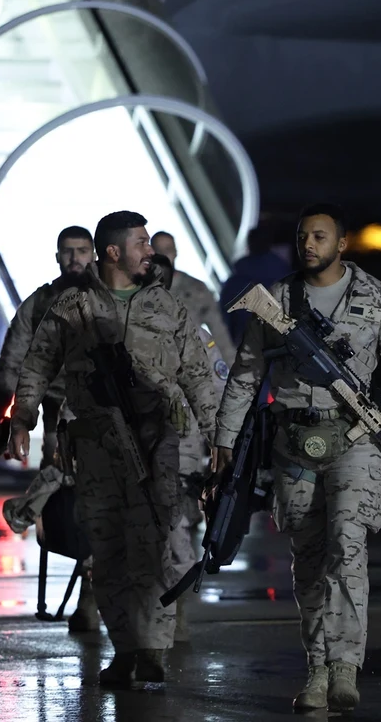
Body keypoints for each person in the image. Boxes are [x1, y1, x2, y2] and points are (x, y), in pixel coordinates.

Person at [214, 202, 381, 712]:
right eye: (303, 237)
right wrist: (225, 439)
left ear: (342, 244)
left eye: (320, 237)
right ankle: (316, 668)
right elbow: (246, 374)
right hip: (293, 444)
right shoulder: (275, 300)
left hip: (356, 440)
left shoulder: (375, 297)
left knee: (349, 549)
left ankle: (345, 668)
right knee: (309, 560)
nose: (309, 245)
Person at [6, 210, 219, 688]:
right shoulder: (74, 306)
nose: (151, 251)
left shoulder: (167, 307)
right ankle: (124, 648)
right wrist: (22, 419)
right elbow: (37, 364)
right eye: (142, 243)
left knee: (157, 547)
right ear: (114, 253)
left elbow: (199, 377)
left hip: (156, 441)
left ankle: (155, 649)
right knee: (106, 549)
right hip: (97, 448)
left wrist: (219, 437)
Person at [0, 225, 99, 633]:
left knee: (95, 502)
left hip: (104, 413)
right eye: (67, 252)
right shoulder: (39, 305)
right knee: (73, 504)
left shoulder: (107, 298)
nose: (75, 259)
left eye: (82, 251)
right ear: (56, 257)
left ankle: (89, 599)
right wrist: (0, 419)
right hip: (56, 414)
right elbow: (13, 360)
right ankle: (87, 595)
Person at [151, 253, 230, 645]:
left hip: (181, 448)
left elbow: (216, 393)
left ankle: (173, 619)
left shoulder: (195, 336)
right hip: (126, 446)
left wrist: (221, 446)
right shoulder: (115, 329)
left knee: (177, 532)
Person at [150, 230, 237, 362]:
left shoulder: (195, 287)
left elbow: (219, 332)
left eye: (168, 249)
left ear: (175, 251)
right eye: (159, 250)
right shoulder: (145, 292)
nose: (165, 255)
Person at [219, 218, 294, 347]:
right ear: (270, 245)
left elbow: (225, 321)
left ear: (248, 246)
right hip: (282, 345)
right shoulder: (285, 277)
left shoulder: (235, 282)